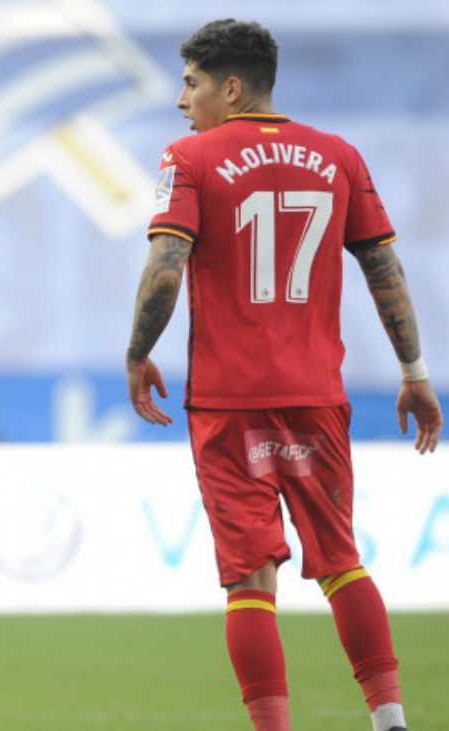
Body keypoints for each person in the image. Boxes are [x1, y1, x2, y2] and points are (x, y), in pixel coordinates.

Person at [124, 19, 442, 731]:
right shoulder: (340, 157)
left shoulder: (190, 158)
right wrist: (414, 369)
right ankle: (391, 718)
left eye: (192, 83)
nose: (183, 101)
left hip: (230, 401)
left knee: (249, 580)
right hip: (317, 397)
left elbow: (165, 267)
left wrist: (138, 349)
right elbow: (383, 268)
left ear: (231, 89)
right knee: (341, 561)